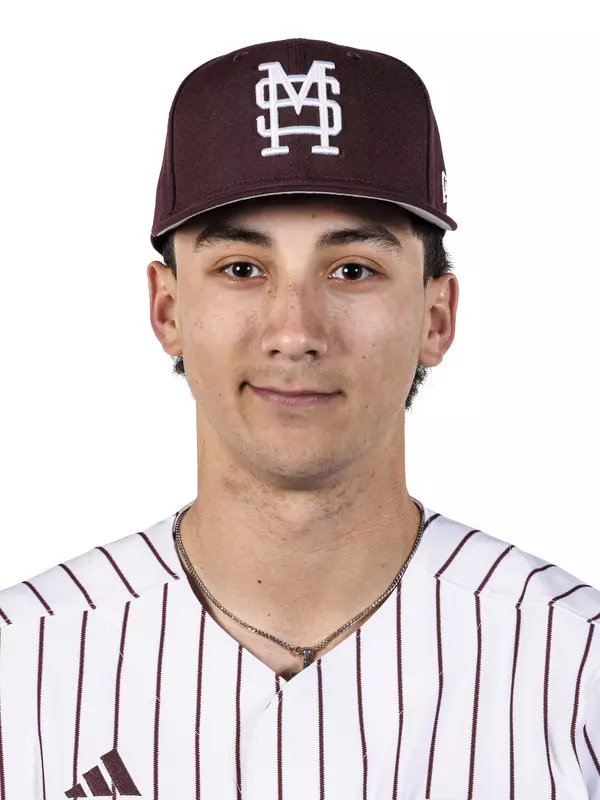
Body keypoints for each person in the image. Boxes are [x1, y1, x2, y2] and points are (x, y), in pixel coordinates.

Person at [0, 36, 598, 800]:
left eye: (352, 270)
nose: (295, 330)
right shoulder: (22, 667)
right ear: (168, 309)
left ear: (436, 317)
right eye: (242, 269)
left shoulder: (577, 670)